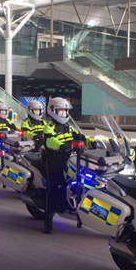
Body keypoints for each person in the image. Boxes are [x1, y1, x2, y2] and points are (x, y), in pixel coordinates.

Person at [43, 97, 96, 235]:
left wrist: (91, 142)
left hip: (69, 158)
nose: (64, 113)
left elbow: (79, 136)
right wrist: (61, 146)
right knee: (53, 188)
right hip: (54, 161)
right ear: (53, 111)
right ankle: (48, 219)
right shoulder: (50, 127)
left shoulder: (68, 126)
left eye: (66, 111)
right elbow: (50, 140)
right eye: (61, 110)